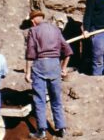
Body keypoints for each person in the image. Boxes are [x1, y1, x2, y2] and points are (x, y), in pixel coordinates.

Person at [25, 10, 73, 139]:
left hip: (40, 65)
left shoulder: (33, 31)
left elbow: (30, 54)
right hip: (54, 66)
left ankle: (41, 131)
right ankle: (61, 128)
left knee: (39, 99)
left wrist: (28, 72)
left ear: (33, 20)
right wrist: (63, 68)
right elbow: (68, 51)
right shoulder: (56, 30)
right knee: (56, 99)